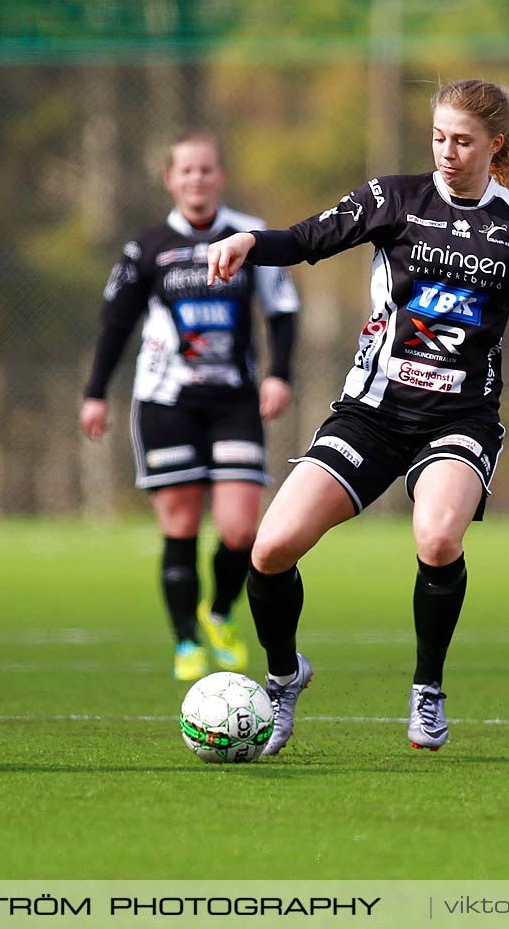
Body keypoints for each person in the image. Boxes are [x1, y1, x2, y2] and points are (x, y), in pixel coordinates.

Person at [205, 78, 509, 755]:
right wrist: (249, 246)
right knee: (270, 548)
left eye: (463, 140)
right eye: (438, 137)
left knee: (436, 539)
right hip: (370, 414)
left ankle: (427, 690)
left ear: (496, 144)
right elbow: (306, 239)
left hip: (460, 418)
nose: (447, 152)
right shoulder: (393, 199)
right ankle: (284, 677)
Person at [80, 131, 300, 681]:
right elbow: (116, 324)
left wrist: (279, 375)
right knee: (179, 525)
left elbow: (282, 310)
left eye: (206, 170)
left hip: (234, 401)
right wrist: (94, 392)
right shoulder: (147, 247)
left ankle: (219, 611)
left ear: (219, 176)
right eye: (186, 171)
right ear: (170, 180)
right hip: (165, 402)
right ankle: (185, 642)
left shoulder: (249, 238)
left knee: (239, 530)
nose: (196, 179)